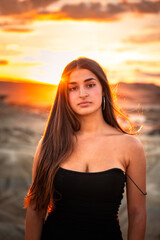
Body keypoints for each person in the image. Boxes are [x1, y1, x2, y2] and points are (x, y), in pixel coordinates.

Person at [24, 57, 147, 240]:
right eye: (72, 88)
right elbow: (35, 210)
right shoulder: (49, 144)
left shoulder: (130, 146)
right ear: (65, 96)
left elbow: (137, 214)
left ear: (104, 89)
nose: (82, 93)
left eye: (90, 85)